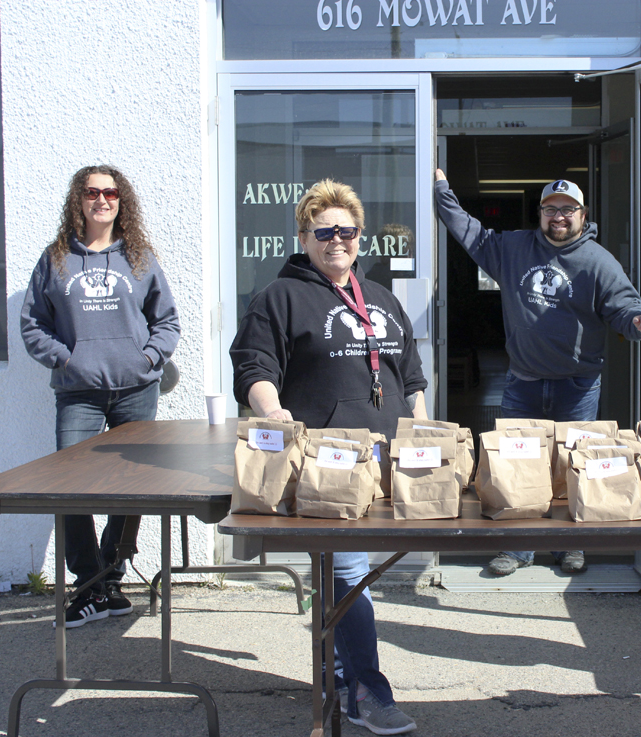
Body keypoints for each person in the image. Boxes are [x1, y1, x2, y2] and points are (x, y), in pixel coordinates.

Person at [230, 179, 424, 735]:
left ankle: (333, 681)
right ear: (304, 236)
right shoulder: (279, 297)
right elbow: (255, 368)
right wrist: (274, 414)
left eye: (346, 231)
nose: (336, 240)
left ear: (360, 238)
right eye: (324, 231)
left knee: (343, 576)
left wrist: (422, 434)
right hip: (329, 464)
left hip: (386, 461)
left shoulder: (381, 298)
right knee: (347, 571)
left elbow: (410, 378)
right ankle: (366, 691)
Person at [435, 170, 641, 576]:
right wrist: (441, 192)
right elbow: (469, 232)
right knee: (518, 464)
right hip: (522, 380)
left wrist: (637, 321)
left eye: (567, 209)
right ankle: (519, 548)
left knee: (573, 467)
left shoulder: (598, 260)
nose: (559, 216)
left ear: (582, 214)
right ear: (540, 213)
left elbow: (624, 305)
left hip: (578, 385)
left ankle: (568, 547)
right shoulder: (513, 247)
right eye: (550, 209)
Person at [21, 165, 180, 627]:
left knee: (132, 490)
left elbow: (166, 321)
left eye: (110, 192)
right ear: (79, 199)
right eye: (92, 191)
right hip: (78, 393)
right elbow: (33, 325)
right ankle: (88, 581)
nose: (102, 199)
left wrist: (148, 359)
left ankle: (112, 572)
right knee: (70, 489)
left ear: (120, 200)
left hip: (136, 390)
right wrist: (66, 360)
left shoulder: (139, 257)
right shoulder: (55, 259)